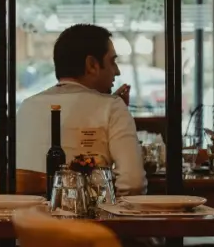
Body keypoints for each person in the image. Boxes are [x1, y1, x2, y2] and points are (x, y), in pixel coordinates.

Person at [15, 24, 145, 196]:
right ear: (92, 65)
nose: (117, 71)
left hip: (26, 220)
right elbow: (132, 184)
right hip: (84, 220)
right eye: (112, 61)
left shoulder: (26, 106)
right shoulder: (111, 107)